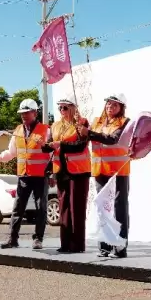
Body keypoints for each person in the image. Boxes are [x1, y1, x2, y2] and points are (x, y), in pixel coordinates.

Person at [0, 98, 54, 250]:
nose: (24, 116)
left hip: (41, 176)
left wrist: (52, 173)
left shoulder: (46, 130)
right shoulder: (18, 131)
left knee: (41, 208)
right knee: (18, 208)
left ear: (35, 113)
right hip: (24, 176)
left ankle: (38, 239)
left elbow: (53, 152)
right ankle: (12, 239)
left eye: (27, 113)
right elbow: (11, 152)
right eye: (22, 113)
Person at [89, 93, 131, 258]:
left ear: (121, 108)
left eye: (114, 105)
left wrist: (90, 133)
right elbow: (87, 137)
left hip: (118, 170)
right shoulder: (96, 122)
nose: (110, 107)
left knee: (119, 208)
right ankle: (104, 245)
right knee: (102, 208)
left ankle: (120, 246)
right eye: (108, 104)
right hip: (100, 170)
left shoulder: (125, 123)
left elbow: (112, 139)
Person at [53, 96, 91, 253]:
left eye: (65, 107)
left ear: (73, 108)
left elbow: (81, 145)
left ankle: (77, 245)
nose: (62, 111)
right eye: (60, 108)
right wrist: (45, 146)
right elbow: (51, 143)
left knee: (77, 208)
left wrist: (60, 145)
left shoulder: (82, 123)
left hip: (78, 170)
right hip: (61, 170)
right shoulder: (55, 126)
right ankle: (65, 244)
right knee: (64, 208)